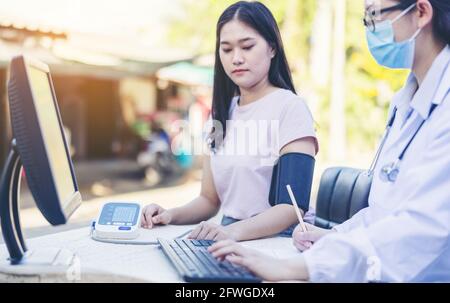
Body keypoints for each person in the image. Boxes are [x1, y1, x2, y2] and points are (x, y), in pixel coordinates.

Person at [209, 0, 450, 282]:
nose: (370, 30)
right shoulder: (405, 103)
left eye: (374, 16)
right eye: (365, 19)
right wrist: (333, 237)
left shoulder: (443, 108)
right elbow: (382, 215)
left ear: (421, 12)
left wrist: (292, 268)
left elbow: (420, 229)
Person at [141, 1, 319, 241]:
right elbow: (209, 200)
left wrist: (229, 232)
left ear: (272, 48)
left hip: (280, 240)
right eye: (226, 49)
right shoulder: (222, 114)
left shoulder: (290, 108)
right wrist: (169, 215)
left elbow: (292, 207)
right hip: (230, 236)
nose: (236, 58)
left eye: (247, 46)